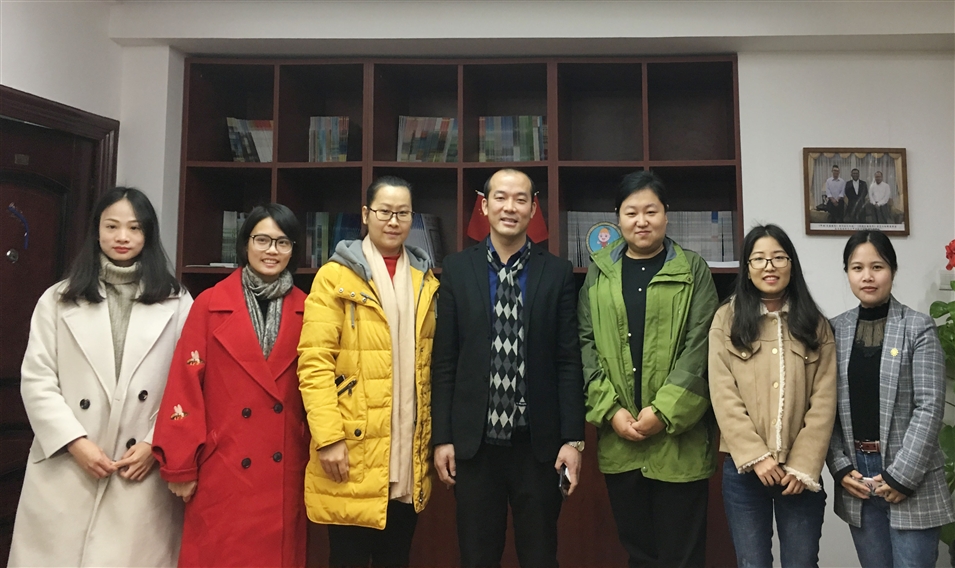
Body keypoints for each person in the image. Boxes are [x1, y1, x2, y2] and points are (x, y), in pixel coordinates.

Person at [9, 187, 191, 567]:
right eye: (111, 226)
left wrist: (154, 443)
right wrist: (75, 442)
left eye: (134, 228)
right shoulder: (58, 299)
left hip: (138, 468)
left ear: (148, 235)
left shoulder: (177, 302)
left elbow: (188, 385)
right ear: (96, 231)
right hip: (68, 465)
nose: (122, 237)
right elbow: (38, 379)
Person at [431, 168, 584, 568]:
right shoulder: (457, 269)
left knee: (540, 556)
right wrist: (442, 438)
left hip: (538, 446)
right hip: (475, 446)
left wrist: (573, 440)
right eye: (500, 197)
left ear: (533, 208)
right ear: (484, 206)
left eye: (520, 199)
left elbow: (568, 361)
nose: (510, 207)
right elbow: (445, 361)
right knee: (477, 557)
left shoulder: (557, 272)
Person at [151, 204, 309, 567]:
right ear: (245, 244)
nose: (271, 250)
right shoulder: (210, 304)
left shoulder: (309, 308)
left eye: (282, 242)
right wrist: (181, 465)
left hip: (284, 469)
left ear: (293, 250)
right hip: (222, 465)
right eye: (262, 240)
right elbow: (184, 385)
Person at [578, 170, 719, 568]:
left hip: (679, 442)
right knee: (639, 554)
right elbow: (585, 345)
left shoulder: (693, 270)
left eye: (651, 211)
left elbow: (701, 347)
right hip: (621, 440)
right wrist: (611, 410)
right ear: (618, 218)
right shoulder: (600, 271)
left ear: (666, 214)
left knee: (683, 557)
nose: (641, 221)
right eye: (631, 212)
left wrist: (663, 412)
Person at [297, 176, 439, 567]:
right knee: (349, 558)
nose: (393, 221)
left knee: (397, 557)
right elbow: (314, 361)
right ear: (365, 214)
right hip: (351, 446)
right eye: (384, 212)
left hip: (407, 451)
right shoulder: (334, 277)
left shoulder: (425, 280)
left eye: (403, 213)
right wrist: (328, 438)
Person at [708, 223, 836, 567]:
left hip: (799, 474)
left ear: (791, 264)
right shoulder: (726, 319)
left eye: (778, 258)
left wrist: (803, 465)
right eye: (759, 259)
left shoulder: (815, 324)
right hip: (745, 472)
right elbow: (723, 393)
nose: (769, 266)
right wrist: (757, 456)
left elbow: (824, 401)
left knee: (802, 563)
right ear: (747, 268)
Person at [827, 230, 954, 567]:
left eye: (877, 267)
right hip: (857, 478)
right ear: (847, 273)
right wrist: (840, 467)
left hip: (912, 479)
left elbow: (929, 406)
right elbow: (823, 408)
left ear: (892, 271)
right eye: (857, 268)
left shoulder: (918, 327)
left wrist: (902, 477)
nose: (867, 276)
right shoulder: (834, 330)